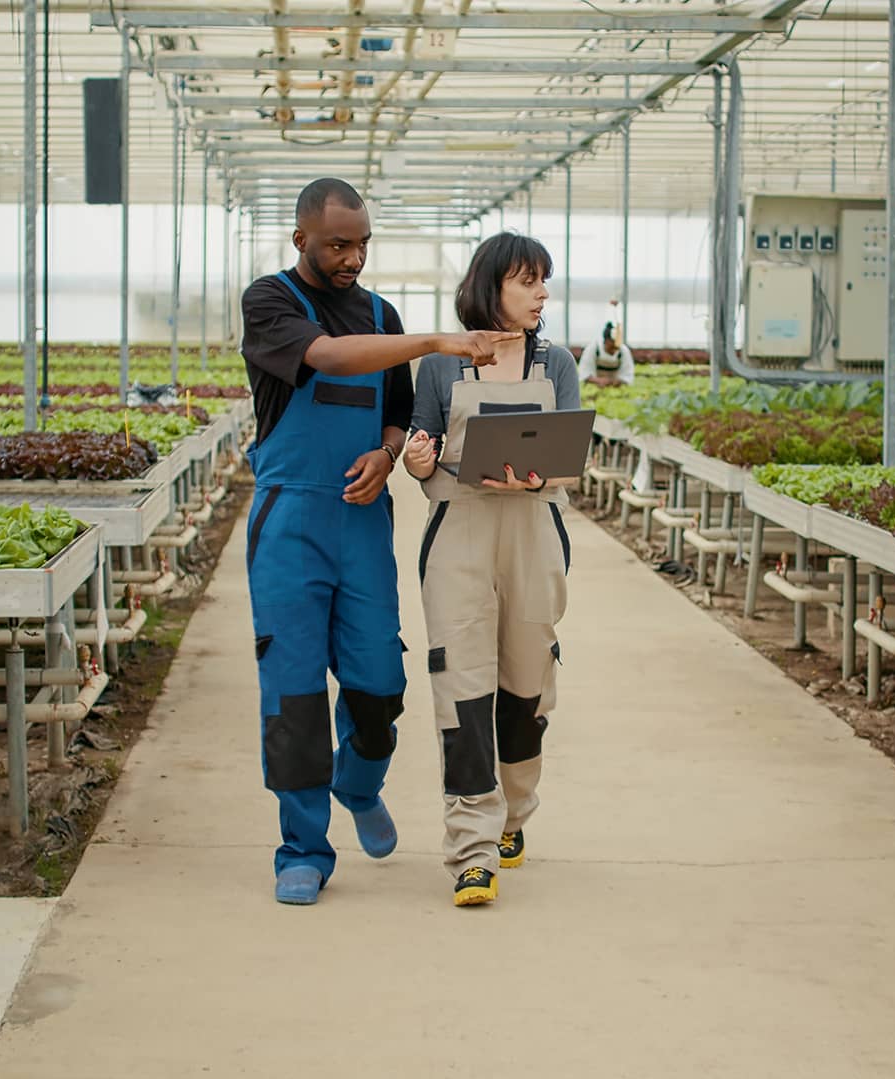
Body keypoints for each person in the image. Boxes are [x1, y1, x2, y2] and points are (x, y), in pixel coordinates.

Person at [239, 177, 518, 906]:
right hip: (291, 520)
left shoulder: (380, 314)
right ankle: (302, 848)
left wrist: (387, 454)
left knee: (380, 685)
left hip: (360, 523)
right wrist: (433, 340)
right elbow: (327, 359)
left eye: (362, 243)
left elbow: (395, 412)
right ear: (301, 239)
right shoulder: (269, 303)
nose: (353, 258)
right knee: (293, 693)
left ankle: (358, 783)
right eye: (338, 244)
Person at [402, 232, 581, 907]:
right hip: (461, 531)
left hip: (534, 530)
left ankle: (514, 816)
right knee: (463, 686)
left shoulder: (557, 361)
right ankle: (471, 851)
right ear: (490, 286)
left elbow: (570, 448)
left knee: (527, 687)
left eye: (544, 281)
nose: (541, 294)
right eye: (527, 281)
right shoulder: (444, 364)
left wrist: (540, 472)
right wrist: (420, 459)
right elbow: (424, 442)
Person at [578, 313, 635, 387]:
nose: (614, 350)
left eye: (616, 348)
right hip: (594, 388)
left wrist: (615, 381)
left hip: (616, 389)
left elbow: (627, 375)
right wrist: (598, 381)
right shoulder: (593, 349)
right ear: (606, 340)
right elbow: (584, 373)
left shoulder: (623, 351)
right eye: (612, 346)